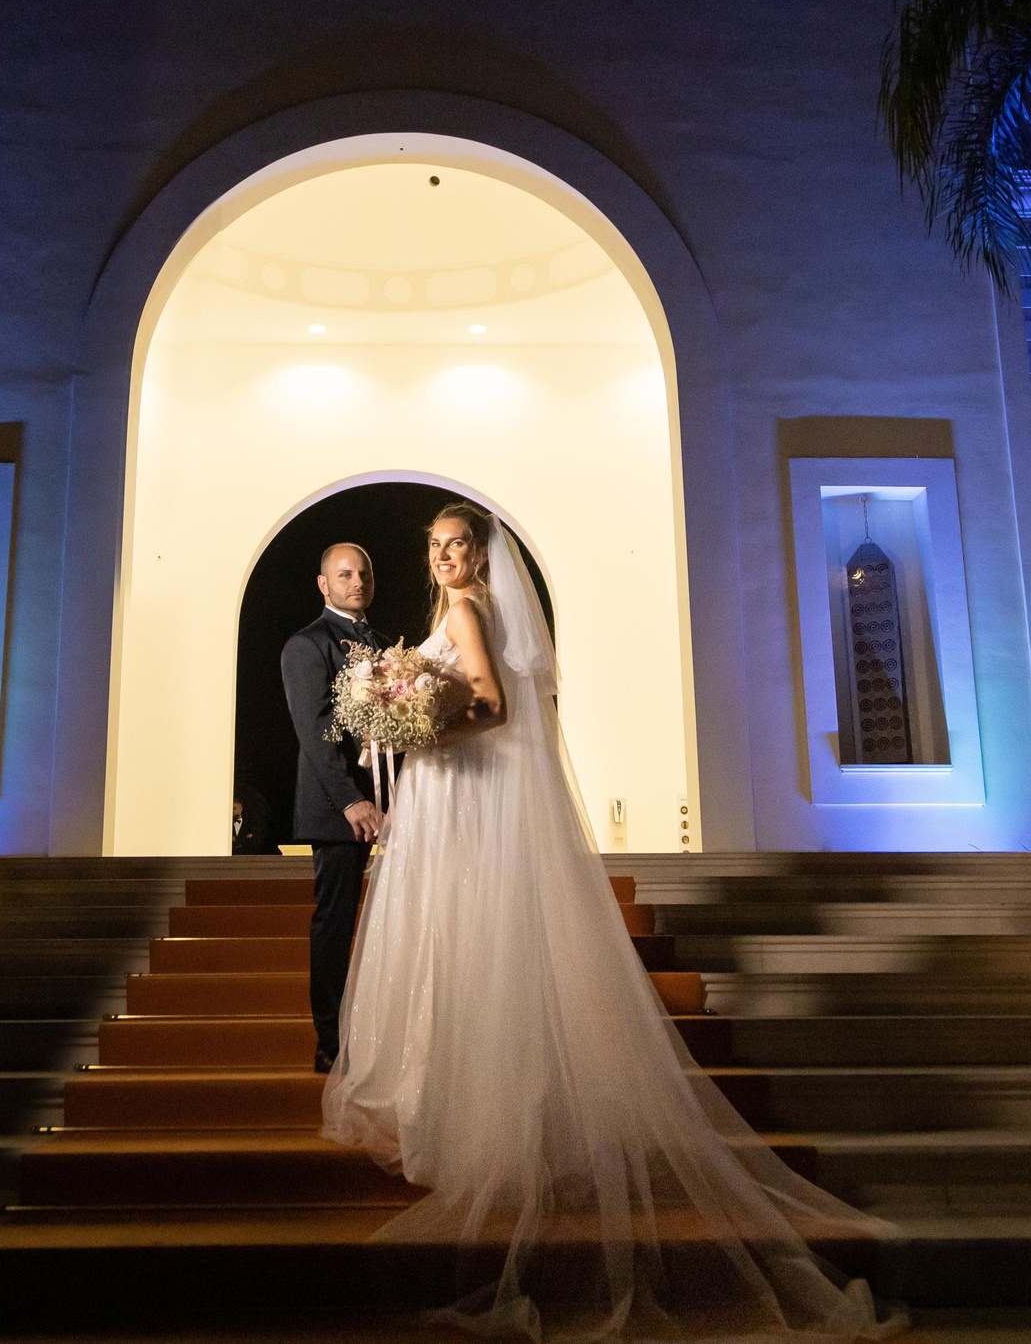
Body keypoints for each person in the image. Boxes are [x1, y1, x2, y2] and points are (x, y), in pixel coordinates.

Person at [323, 502, 906, 1340]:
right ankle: (489, 1111)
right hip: (464, 799)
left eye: (460, 547)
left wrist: (423, 733)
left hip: (462, 792)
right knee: (475, 950)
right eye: (438, 548)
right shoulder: (451, 610)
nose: (448, 558)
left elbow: (494, 708)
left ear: (482, 558)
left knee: (468, 948)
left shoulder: (467, 611)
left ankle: (478, 1123)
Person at [279, 540, 390, 1074]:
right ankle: (332, 1044)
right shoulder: (308, 644)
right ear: (324, 584)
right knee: (336, 922)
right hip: (339, 807)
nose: (357, 581)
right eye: (345, 574)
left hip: (392, 803)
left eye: (363, 573)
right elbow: (316, 731)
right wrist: (352, 799)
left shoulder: (385, 645)